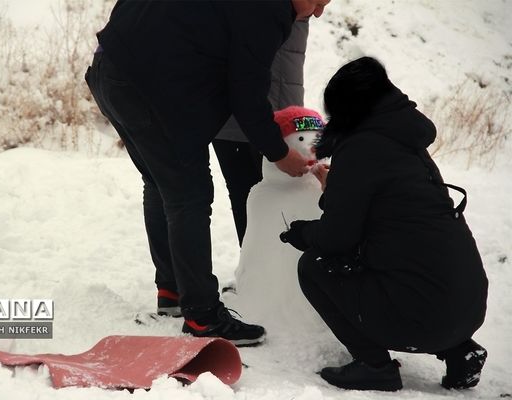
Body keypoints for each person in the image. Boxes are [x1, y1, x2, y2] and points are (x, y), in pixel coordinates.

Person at [85, 0, 331, 346]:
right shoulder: (269, 9)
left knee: (161, 185)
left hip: (111, 68)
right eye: (319, 1)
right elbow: (247, 91)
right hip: (148, 85)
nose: (318, 12)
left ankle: (173, 291)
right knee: (190, 197)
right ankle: (202, 316)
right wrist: (278, 152)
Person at [281, 57, 488, 390]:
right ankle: (459, 350)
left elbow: (336, 239)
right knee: (408, 261)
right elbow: (389, 214)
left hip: (426, 317)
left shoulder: (361, 149)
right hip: (468, 307)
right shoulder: (404, 142)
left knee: (314, 266)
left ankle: (374, 365)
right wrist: (338, 190)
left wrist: (302, 232)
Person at [213, 19, 310, 247]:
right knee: (276, 195)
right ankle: (265, 273)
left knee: (247, 196)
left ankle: (258, 272)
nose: (318, 12)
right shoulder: (272, 10)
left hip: (228, 111)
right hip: (274, 119)